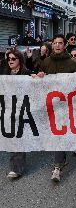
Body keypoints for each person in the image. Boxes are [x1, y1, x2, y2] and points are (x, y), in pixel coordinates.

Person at [32, 34, 76, 182]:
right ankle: (61, 159)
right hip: (50, 105)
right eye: (55, 43)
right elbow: (40, 81)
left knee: (60, 134)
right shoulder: (46, 62)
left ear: (64, 45)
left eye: (60, 43)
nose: (58, 45)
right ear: (52, 45)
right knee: (56, 134)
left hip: (66, 105)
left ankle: (57, 167)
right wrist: (40, 76)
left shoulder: (72, 64)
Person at [3, 49, 32, 179]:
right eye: (9, 59)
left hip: (21, 110)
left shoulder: (26, 74)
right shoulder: (4, 73)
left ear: (20, 60)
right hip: (6, 110)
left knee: (18, 139)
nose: (10, 61)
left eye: (13, 58)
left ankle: (16, 168)